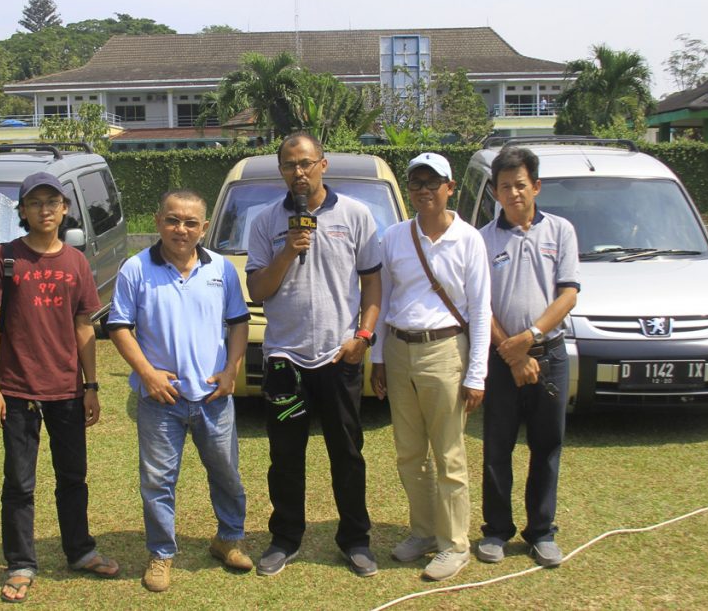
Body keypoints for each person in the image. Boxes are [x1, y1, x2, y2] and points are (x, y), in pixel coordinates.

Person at [0, 171, 119, 604]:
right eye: (35, 202)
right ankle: (21, 563)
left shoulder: (76, 262)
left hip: (66, 389)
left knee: (73, 477)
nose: (45, 210)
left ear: (65, 209)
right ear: (22, 211)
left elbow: (84, 326)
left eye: (53, 202)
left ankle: (80, 551)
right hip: (18, 388)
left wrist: (90, 385)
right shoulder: (4, 257)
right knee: (19, 481)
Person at [245, 132, 382, 577]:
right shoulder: (266, 222)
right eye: (289, 165)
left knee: (347, 452)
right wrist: (288, 250)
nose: (298, 172)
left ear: (323, 164)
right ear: (281, 170)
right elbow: (258, 290)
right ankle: (285, 538)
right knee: (285, 456)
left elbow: (373, 284)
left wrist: (363, 335)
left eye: (306, 163)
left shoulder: (356, 215)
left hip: (338, 356)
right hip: (285, 359)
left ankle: (355, 539)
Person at [107, 189, 252, 593]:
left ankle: (229, 538)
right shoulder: (135, 269)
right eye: (173, 220)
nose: (181, 229)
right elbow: (118, 327)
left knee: (226, 473)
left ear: (204, 228)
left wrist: (231, 371)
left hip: (212, 397)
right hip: (160, 399)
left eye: (191, 223)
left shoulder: (221, 268)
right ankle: (161, 553)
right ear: (157, 221)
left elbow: (238, 322)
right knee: (157, 481)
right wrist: (148, 374)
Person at [370, 152, 492, 581]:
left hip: (445, 351)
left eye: (432, 182)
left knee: (449, 455)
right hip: (401, 349)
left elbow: (479, 310)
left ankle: (455, 544)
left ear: (450, 187)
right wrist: (379, 358)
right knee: (408, 453)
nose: (423, 191)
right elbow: (382, 299)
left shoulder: (469, 239)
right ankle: (423, 532)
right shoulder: (394, 237)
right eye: (416, 184)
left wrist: (476, 374)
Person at [477, 146, 580, 568]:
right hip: (502, 361)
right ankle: (496, 531)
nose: (514, 193)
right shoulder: (483, 239)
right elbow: (479, 305)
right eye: (505, 187)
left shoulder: (561, 232)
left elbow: (568, 294)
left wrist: (531, 337)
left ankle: (541, 532)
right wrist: (512, 351)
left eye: (520, 185)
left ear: (535, 186)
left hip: (550, 355)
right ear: (495, 193)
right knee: (497, 448)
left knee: (546, 446)